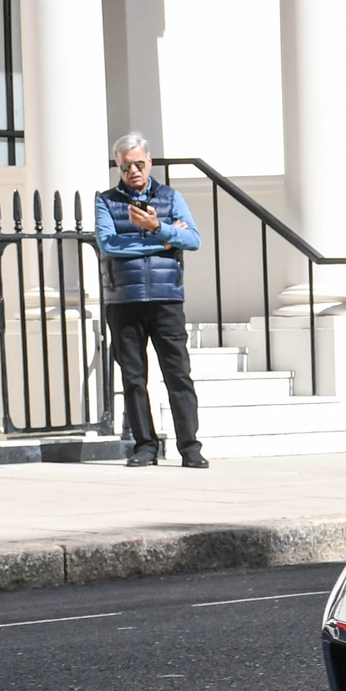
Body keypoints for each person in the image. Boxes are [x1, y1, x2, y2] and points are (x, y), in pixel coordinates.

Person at [94, 135, 206, 468]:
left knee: (178, 375)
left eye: (139, 163)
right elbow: (108, 244)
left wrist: (158, 226)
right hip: (124, 299)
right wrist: (166, 240)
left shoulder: (171, 197)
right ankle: (145, 446)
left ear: (150, 162)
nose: (133, 170)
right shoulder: (106, 201)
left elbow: (194, 239)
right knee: (133, 376)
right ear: (118, 165)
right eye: (126, 165)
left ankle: (190, 447)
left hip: (166, 297)